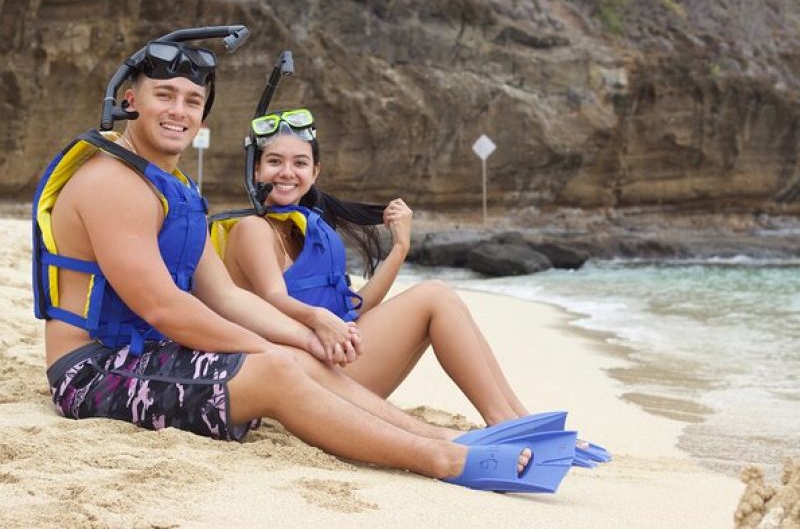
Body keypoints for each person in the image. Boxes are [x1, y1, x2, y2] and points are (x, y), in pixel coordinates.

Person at [33, 32, 579, 494]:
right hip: (94, 374)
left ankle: (445, 439)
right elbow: (165, 307)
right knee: (277, 364)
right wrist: (271, 345)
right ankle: (446, 462)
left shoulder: (174, 189)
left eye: (192, 101)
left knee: (298, 353)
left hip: (153, 357)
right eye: (165, 95)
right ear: (130, 100)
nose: (179, 110)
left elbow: (226, 296)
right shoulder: (111, 183)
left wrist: (307, 331)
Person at [215, 108, 530, 427]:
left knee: (441, 297)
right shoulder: (253, 229)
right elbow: (271, 296)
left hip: (332, 369)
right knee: (436, 296)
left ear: (315, 173)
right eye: (274, 162)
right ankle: (503, 421)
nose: (287, 172)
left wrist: (400, 248)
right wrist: (318, 319)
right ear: (256, 170)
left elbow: (356, 308)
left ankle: (518, 418)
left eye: (300, 163)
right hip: (301, 381)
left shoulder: (304, 230)